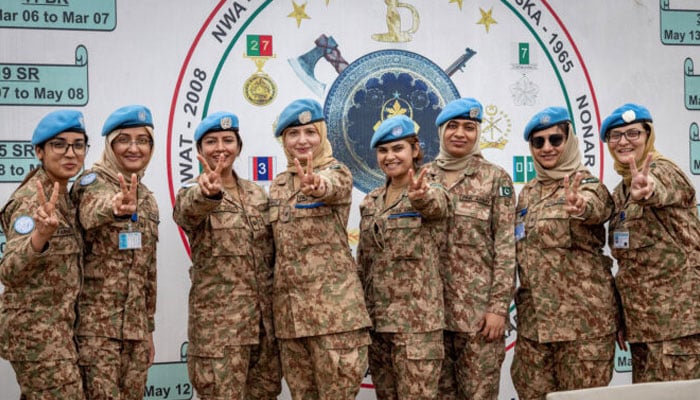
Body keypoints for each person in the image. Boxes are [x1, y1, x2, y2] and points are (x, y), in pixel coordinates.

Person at [510, 106, 618, 399]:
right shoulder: (528, 193)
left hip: (582, 330)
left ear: (568, 141)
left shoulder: (587, 184)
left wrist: (581, 207)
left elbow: (597, 207)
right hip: (535, 330)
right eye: (538, 142)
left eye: (555, 139)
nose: (547, 148)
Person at [173, 111, 282, 399]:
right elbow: (186, 214)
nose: (220, 147)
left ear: (239, 146)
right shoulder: (192, 192)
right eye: (211, 142)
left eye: (228, 140)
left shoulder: (257, 194)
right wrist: (207, 194)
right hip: (220, 333)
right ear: (199, 150)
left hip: (263, 330)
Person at [269, 99, 372, 399]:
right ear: (284, 140)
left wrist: (316, 184)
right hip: (292, 323)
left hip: (335, 321)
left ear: (323, 136)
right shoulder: (278, 185)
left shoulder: (337, 172)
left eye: (311, 132)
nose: (302, 141)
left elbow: (331, 186)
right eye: (293, 134)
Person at [422, 98, 515, 400]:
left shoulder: (494, 177)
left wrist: (498, 308)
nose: (460, 134)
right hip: (431, 316)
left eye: (469, 127)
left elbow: (505, 246)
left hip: (478, 319)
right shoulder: (422, 177)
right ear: (441, 132)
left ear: (477, 133)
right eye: (453, 127)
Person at [600, 103, 700, 383]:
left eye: (632, 133)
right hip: (642, 328)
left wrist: (648, 189)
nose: (623, 141)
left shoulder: (664, 171)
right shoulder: (620, 192)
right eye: (616, 136)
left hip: (677, 328)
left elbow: (660, 189)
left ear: (648, 135)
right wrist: (624, 318)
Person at [357, 114, 450, 399]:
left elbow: (436, 206)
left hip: (418, 328)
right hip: (379, 324)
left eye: (398, 148)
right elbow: (365, 261)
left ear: (415, 150)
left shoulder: (432, 189)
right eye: (383, 151)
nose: (390, 156)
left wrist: (419, 197)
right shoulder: (371, 201)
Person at [70, 105, 159, 399]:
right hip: (97, 331)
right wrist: (115, 207)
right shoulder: (92, 182)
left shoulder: (146, 196)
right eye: (124, 139)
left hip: (135, 332)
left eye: (142, 140)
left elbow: (147, 271)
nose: (134, 148)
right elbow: (90, 213)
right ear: (110, 144)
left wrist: (147, 330)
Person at [0, 110, 88, 398]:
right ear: (39, 151)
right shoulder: (31, 200)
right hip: (39, 337)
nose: (70, 153)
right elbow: (9, 271)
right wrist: (39, 237)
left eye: (78, 144)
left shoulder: (63, 193)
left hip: (58, 333)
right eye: (59, 145)